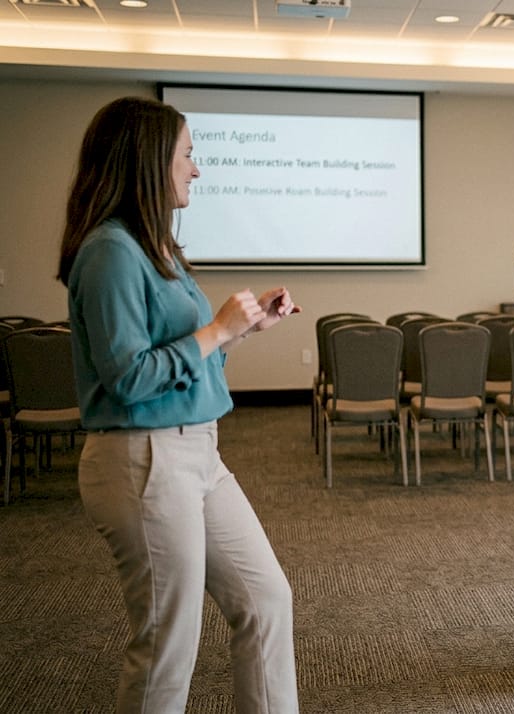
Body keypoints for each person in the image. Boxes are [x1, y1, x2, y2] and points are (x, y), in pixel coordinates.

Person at [57, 96, 301, 713]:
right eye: (187, 155)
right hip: (142, 461)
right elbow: (129, 379)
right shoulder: (109, 251)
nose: (196, 169)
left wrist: (241, 331)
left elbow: (188, 363)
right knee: (168, 640)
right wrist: (216, 330)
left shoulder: (156, 248)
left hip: (198, 452)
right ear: (147, 160)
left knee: (266, 598)